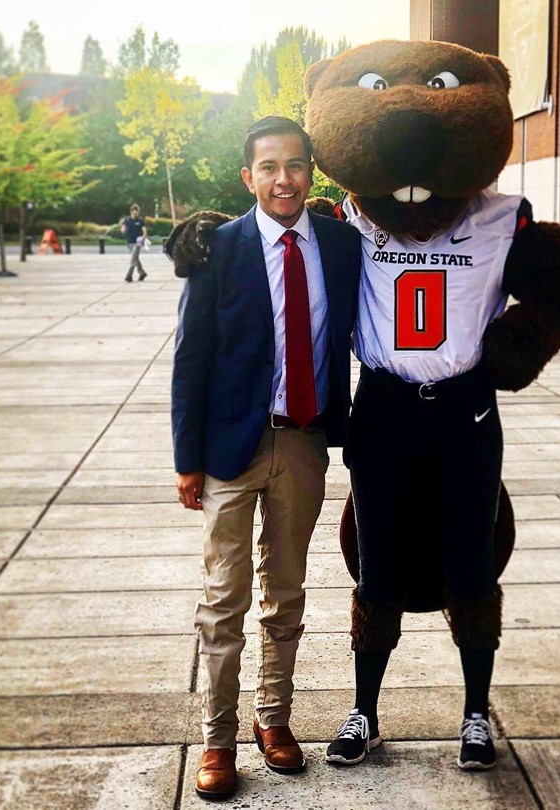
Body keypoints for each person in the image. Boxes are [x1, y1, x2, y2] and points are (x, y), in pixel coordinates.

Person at [171, 116, 361, 801]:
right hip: (228, 448)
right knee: (223, 602)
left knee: (286, 593)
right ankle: (217, 739)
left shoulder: (340, 246)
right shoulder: (217, 248)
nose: (284, 179)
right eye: (269, 167)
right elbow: (191, 357)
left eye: (296, 166)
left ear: (313, 173)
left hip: (304, 441)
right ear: (248, 178)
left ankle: (272, 720)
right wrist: (187, 459)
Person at [121, 204, 148, 282]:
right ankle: (142, 273)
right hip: (129, 243)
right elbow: (123, 228)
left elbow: (145, 231)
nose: (135, 214)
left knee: (133, 259)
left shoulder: (140, 221)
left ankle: (129, 276)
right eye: (134, 212)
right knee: (135, 259)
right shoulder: (127, 220)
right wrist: (123, 230)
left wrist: (142, 239)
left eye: (137, 212)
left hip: (137, 243)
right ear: (131, 212)